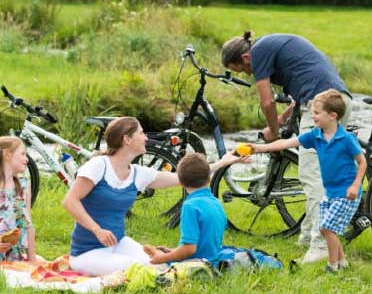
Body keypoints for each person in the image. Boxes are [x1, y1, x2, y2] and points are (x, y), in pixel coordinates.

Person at [221, 31, 353, 264]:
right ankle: (307, 235)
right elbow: (297, 96)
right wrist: (281, 120)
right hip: (336, 99)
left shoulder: (258, 51)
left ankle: (321, 245)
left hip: (320, 105)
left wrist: (272, 130)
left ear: (245, 57)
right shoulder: (273, 45)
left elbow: (266, 101)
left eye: (243, 70)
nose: (249, 74)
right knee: (324, 175)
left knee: (311, 176)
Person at [61, 117, 242, 276]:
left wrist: (223, 162)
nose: (146, 138)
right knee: (136, 268)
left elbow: (188, 176)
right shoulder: (99, 165)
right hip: (86, 252)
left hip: (118, 243)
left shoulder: (137, 173)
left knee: (159, 265)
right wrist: (97, 230)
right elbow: (70, 200)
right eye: (142, 133)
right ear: (127, 139)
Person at [246, 90, 365, 272]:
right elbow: (286, 144)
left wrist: (356, 185)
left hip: (347, 192)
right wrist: (259, 148)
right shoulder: (315, 135)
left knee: (327, 227)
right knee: (326, 228)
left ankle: (332, 266)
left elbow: (362, 162)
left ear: (332, 116)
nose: (313, 117)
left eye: (317, 113)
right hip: (330, 192)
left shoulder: (346, 139)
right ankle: (343, 263)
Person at [143, 153, 228, 267]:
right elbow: (204, 241)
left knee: (141, 262)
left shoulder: (190, 206)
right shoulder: (216, 202)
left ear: (181, 183)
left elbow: (189, 249)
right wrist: (173, 251)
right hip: (213, 260)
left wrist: (163, 258)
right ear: (208, 179)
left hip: (195, 265)